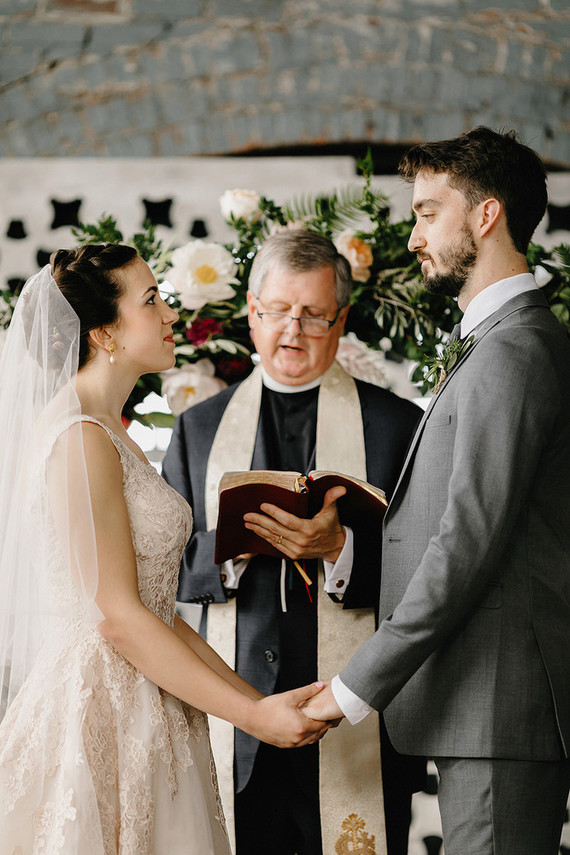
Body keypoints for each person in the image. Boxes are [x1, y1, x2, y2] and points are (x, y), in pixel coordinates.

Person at [0, 245, 330, 854]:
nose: (171, 314)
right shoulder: (79, 438)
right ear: (104, 333)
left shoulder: (108, 430)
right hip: (101, 707)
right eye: (151, 301)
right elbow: (119, 619)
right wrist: (253, 719)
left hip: (153, 697)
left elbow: (159, 613)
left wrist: (258, 704)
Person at [303, 127, 570, 855]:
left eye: (427, 212)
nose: (413, 233)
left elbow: (466, 542)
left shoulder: (514, 350)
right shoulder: (498, 342)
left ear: (486, 216)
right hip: (480, 706)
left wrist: (352, 686)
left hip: (500, 710)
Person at [162, 230, 424, 855]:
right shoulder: (198, 429)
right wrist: (230, 550)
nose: (293, 330)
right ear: (252, 312)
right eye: (278, 310)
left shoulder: (398, 426)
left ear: (342, 320)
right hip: (236, 717)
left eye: (313, 314)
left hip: (358, 717)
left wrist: (341, 550)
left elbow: (432, 574)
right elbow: (157, 569)